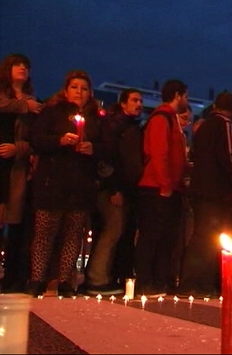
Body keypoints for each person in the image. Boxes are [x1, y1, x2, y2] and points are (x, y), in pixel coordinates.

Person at [26, 70, 107, 298]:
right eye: (74, 87)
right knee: (44, 233)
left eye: (83, 88)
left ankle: (65, 281)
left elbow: (108, 147)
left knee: (73, 234)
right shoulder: (52, 112)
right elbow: (36, 139)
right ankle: (37, 279)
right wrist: (59, 141)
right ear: (66, 90)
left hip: (81, 185)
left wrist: (93, 148)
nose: (79, 92)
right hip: (52, 183)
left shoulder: (97, 117)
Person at [81, 88, 144, 295]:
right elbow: (111, 156)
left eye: (140, 101)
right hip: (112, 187)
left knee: (116, 230)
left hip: (123, 187)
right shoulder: (115, 124)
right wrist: (114, 187)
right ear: (123, 103)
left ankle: (103, 275)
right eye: (135, 100)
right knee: (112, 228)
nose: (139, 104)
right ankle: (97, 278)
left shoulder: (129, 126)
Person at [177, 91, 232, 298]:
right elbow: (228, 156)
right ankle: (203, 282)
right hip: (216, 190)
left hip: (198, 188)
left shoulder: (202, 127)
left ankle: (188, 281)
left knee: (198, 236)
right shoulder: (225, 124)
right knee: (211, 237)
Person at [135, 79, 188, 297]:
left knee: (165, 237)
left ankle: (157, 281)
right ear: (177, 95)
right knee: (152, 236)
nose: (186, 100)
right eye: (185, 95)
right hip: (157, 187)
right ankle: (145, 282)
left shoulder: (170, 119)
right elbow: (160, 152)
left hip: (167, 187)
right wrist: (166, 184)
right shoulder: (161, 118)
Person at [0, 53, 41, 293]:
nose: (23, 68)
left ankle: (13, 277)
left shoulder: (32, 103)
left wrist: (19, 149)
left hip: (15, 167)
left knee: (16, 226)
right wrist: (24, 105)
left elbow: (33, 139)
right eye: (18, 64)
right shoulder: (21, 103)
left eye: (26, 65)